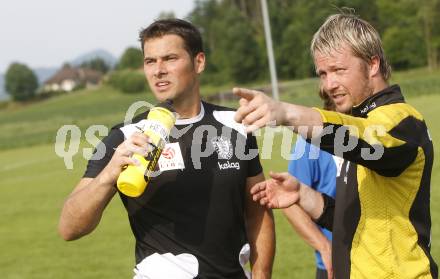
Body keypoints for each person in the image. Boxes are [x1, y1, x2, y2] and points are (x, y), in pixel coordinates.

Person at [58, 18, 275, 279]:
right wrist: (108, 175)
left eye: (170, 58)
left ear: (199, 62)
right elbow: (69, 228)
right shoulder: (125, 138)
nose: (158, 70)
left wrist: (261, 275)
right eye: (150, 61)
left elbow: (258, 213)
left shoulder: (237, 126)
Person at [234, 12, 438, 279]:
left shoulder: (401, 121)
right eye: (323, 73)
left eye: (339, 70)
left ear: (373, 64)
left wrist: (285, 112)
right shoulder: (362, 122)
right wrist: (304, 196)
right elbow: (358, 220)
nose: (329, 85)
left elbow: (357, 136)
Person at [284, 91, 344, 279]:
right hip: (334, 265)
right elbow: (290, 201)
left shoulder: (368, 137)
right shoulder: (309, 145)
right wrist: (324, 246)